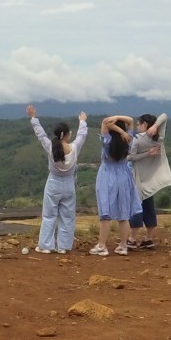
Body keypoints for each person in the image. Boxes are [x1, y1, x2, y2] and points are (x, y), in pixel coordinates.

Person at [27, 106, 87, 254]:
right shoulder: (74, 147)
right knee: (67, 216)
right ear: (66, 135)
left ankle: (46, 246)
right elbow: (82, 135)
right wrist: (82, 121)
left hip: (53, 184)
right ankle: (63, 246)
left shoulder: (51, 147)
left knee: (49, 215)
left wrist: (33, 118)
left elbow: (40, 135)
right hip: (68, 185)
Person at [128, 112, 171, 249]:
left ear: (144, 124)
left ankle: (132, 239)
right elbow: (165, 116)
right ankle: (148, 238)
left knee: (137, 208)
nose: (137, 126)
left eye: (139, 124)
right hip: (152, 178)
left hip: (139, 178)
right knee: (149, 207)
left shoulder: (137, 139)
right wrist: (156, 126)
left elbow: (130, 157)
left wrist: (146, 154)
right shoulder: (159, 138)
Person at [92, 116, 137, 256]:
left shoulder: (107, 140)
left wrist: (116, 125)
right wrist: (120, 125)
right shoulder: (128, 139)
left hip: (107, 176)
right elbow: (130, 121)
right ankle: (123, 246)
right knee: (123, 214)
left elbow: (105, 122)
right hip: (123, 175)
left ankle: (102, 245)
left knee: (105, 212)